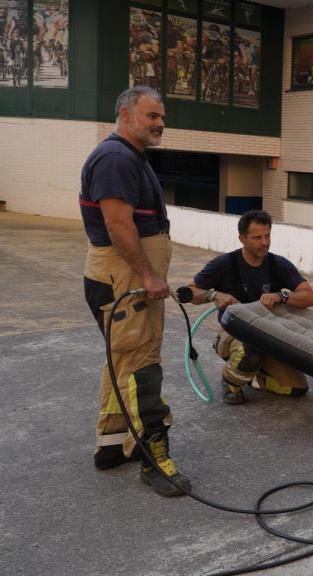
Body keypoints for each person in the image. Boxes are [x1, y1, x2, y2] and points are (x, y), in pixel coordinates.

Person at [80, 86, 191, 497]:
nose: (160, 123)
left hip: (125, 274)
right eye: (151, 116)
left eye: (161, 116)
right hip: (124, 277)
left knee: (121, 360)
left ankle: (111, 445)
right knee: (141, 365)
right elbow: (118, 225)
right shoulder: (114, 158)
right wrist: (147, 274)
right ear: (125, 114)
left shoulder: (131, 157)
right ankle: (154, 460)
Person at [185, 210, 313, 405]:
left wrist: (281, 296)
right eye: (257, 237)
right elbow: (189, 292)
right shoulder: (224, 264)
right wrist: (213, 295)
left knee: (297, 389)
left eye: (267, 236)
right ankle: (231, 382)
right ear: (242, 238)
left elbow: (311, 297)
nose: (264, 242)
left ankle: (258, 374)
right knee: (251, 345)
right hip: (234, 335)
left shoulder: (277, 264)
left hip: (271, 334)